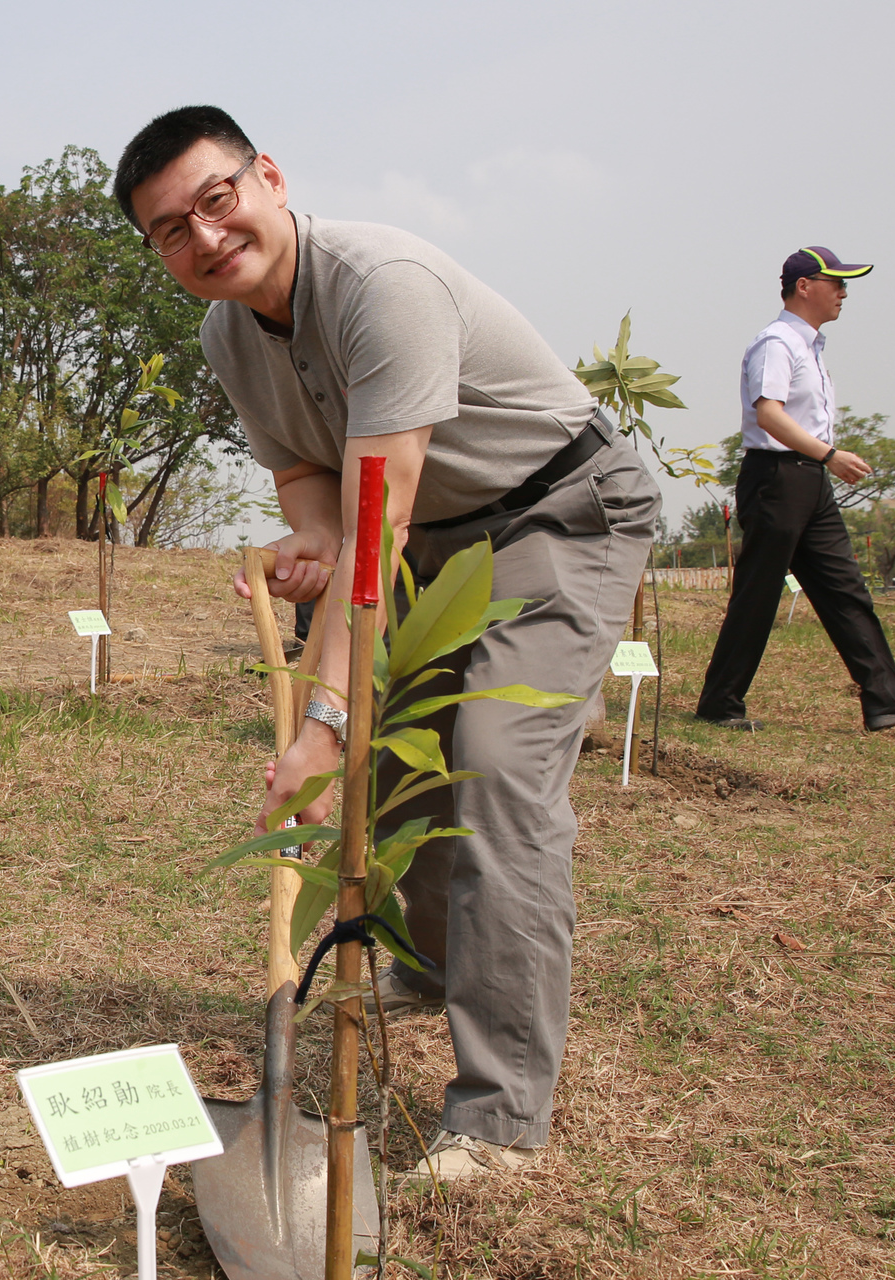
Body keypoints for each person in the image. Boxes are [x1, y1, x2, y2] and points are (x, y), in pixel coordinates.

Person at [116, 106, 660, 1180]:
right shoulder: (229, 333)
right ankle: (442, 963)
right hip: (426, 540)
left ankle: (503, 1114)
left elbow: (378, 529)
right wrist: (299, 545)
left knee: (496, 771)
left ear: (267, 177)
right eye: (171, 231)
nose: (206, 238)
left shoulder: (383, 287)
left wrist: (322, 721)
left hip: (555, 514)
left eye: (217, 201)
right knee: (403, 774)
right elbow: (324, 507)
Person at [694, 249, 895, 732]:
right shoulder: (777, 343)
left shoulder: (811, 347)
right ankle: (720, 703)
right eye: (836, 283)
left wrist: (823, 462)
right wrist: (830, 455)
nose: (844, 293)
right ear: (804, 286)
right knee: (758, 594)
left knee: (845, 589)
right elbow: (768, 413)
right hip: (776, 478)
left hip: (810, 480)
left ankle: (886, 700)